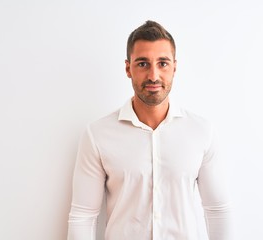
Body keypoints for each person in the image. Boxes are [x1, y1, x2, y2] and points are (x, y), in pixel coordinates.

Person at [67, 20, 230, 240]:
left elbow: (217, 209)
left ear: (174, 67)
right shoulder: (97, 134)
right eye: (143, 64)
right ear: (128, 68)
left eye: (162, 63)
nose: (153, 75)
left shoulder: (201, 132)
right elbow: (83, 216)